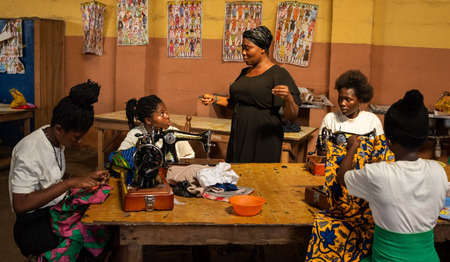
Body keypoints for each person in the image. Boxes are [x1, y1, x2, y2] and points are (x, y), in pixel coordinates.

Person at [337, 89, 448, 261]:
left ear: (389, 141)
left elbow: (343, 176)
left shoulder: (378, 174)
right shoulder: (438, 171)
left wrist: (352, 147)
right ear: (425, 138)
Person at [9, 80, 110, 257]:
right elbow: (20, 204)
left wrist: (84, 177)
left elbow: (51, 177)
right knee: (87, 244)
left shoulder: (54, 140)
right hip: (33, 225)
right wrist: (70, 183)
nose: (80, 143)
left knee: (102, 228)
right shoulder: (30, 151)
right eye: (77, 138)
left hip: (52, 212)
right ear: (59, 129)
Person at [202, 25, 301, 163]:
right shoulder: (245, 72)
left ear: (262, 49)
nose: (243, 52)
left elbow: (292, 115)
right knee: (237, 174)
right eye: (242, 48)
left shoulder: (278, 74)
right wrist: (215, 99)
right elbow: (236, 103)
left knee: (260, 178)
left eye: (247, 48)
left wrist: (289, 98)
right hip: (240, 133)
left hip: (264, 137)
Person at [317, 69, 383, 155]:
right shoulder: (330, 119)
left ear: (359, 101)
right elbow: (321, 152)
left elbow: (381, 150)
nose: (342, 103)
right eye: (340, 99)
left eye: (348, 100)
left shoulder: (372, 120)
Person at [118, 94, 195, 159]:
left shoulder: (174, 133)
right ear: (148, 120)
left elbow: (190, 155)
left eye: (166, 112)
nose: (167, 116)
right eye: (161, 113)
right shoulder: (136, 134)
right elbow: (120, 153)